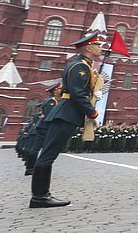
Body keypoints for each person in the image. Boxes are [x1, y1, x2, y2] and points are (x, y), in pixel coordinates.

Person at [30, 32, 103, 208]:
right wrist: (91, 112)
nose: (100, 48)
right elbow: (77, 94)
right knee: (48, 154)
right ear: (89, 48)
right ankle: (39, 197)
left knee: (49, 154)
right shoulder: (80, 66)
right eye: (98, 45)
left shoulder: (83, 65)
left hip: (67, 113)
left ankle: (41, 195)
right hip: (67, 113)